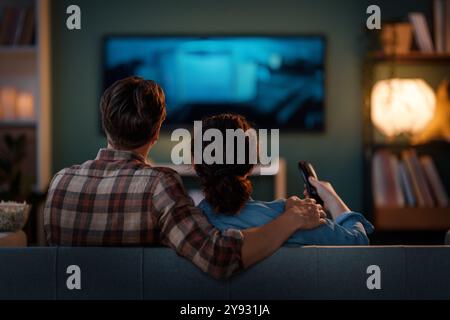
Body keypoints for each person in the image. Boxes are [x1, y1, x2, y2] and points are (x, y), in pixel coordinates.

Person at [43, 76, 327, 279]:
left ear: (106, 124)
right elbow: (218, 258)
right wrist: (291, 219)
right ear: (157, 131)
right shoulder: (158, 185)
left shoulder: (60, 182)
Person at [194, 114, 374, 245]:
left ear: (197, 165)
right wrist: (331, 197)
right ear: (252, 163)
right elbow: (357, 243)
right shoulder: (293, 217)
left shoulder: (189, 225)